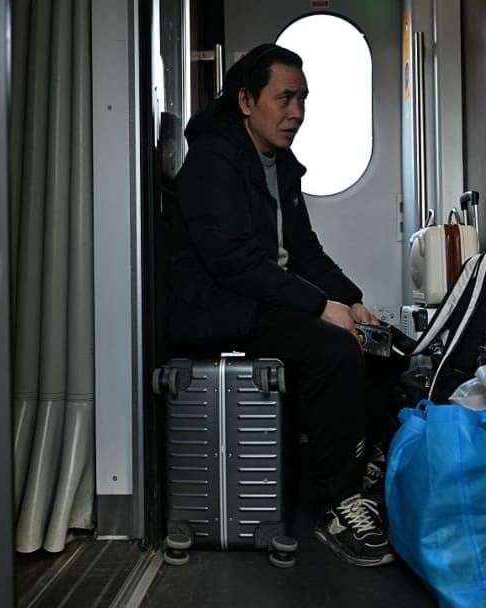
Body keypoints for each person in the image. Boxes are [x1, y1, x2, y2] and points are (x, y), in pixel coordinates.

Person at [167, 43, 402, 567]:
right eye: (285, 98)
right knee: (333, 349)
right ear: (247, 101)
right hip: (220, 311)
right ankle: (336, 504)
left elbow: (304, 252)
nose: (295, 112)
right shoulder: (214, 160)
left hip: (260, 300)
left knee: (382, 344)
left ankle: (363, 467)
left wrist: (353, 301)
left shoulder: (280, 165)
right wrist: (321, 307)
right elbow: (233, 262)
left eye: (303, 99)